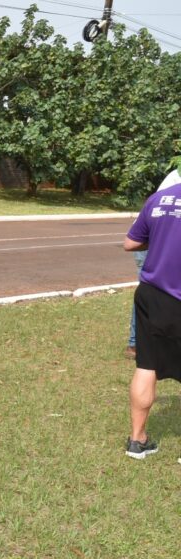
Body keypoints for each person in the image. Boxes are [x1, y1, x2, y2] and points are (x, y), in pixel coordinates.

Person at [123, 179, 181, 459]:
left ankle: (137, 440)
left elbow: (130, 242)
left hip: (151, 295)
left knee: (147, 366)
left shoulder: (160, 199)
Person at [127, 169, 181, 358]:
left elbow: (130, 242)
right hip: (158, 245)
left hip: (149, 239)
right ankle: (136, 343)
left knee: (148, 294)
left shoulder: (161, 193)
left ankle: (137, 345)